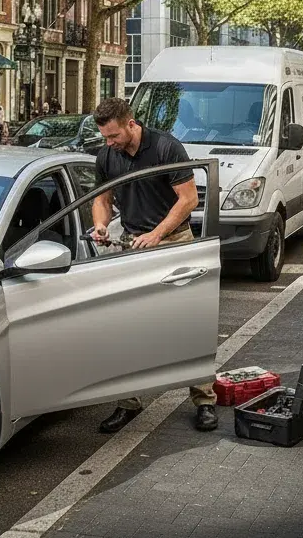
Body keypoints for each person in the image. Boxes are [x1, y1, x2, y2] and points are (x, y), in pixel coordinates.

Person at [88, 98, 218, 434]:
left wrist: (157, 234)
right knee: (129, 326)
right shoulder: (107, 155)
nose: (110, 143)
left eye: (114, 135)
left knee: (188, 323)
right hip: (134, 245)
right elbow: (102, 199)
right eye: (105, 137)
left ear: (130, 123)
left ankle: (204, 400)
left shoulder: (165, 148)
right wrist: (101, 225)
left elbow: (188, 199)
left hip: (174, 242)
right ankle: (128, 403)